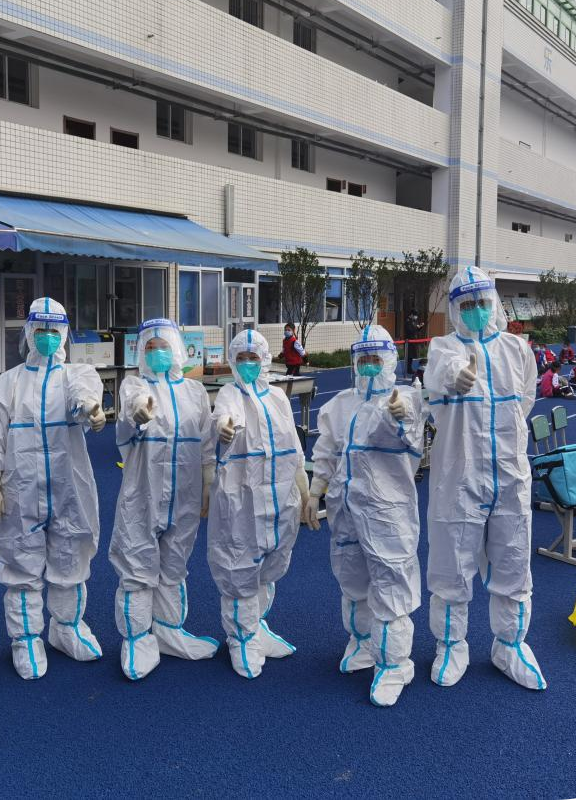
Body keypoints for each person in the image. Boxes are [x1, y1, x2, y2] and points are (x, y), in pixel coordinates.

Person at [424, 265, 546, 691]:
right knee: (452, 565)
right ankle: (451, 645)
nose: (476, 310)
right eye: (467, 304)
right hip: (459, 476)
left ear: (494, 304)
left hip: (510, 474)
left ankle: (509, 645)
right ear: (456, 309)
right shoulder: (444, 348)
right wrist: (454, 380)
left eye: (482, 302)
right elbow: (439, 379)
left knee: (513, 560)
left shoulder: (518, 349)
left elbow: (525, 400)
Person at [0, 297, 107, 679]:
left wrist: (91, 410)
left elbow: (82, 397)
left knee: (71, 557)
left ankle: (66, 628)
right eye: (42, 330)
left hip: (69, 488)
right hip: (21, 490)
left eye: (55, 330)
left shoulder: (75, 375)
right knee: (21, 563)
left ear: (64, 334)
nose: (48, 337)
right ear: (30, 332)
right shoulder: (9, 382)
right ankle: (26, 638)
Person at [307, 324, 425, 706]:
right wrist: (315, 490)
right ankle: (361, 642)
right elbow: (327, 451)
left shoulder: (405, 398)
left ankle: (394, 664)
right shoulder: (341, 404)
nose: (370, 365)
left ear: (390, 359)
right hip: (345, 510)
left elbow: (413, 441)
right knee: (352, 579)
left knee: (390, 583)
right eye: (364, 358)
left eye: (376, 358)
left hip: (387, 512)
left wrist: (401, 418)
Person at [109, 318, 219, 680]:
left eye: (163, 347)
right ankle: (137, 639)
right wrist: (137, 416)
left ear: (177, 350)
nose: (157, 353)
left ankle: (170, 631)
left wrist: (207, 482)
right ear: (141, 353)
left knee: (174, 564)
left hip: (184, 494)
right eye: (150, 348)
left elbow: (206, 441)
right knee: (137, 565)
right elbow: (127, 418)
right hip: (143, 493)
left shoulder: (194, 392)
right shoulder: (135, 385)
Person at [207, 329, 312, 679]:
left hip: (280, 498)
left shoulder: (278, 398)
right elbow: (224, 416)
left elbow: (294, 447)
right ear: (233, 361)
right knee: (239, 567)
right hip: (242, 500)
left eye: (254, 358)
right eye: (242, 358)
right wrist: (224, 426)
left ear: (265, 360)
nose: (248, 364)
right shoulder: (230, 393)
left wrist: (305, 491)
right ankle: (241, 637)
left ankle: (256, 626)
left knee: (271, 565)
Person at [405, 309, 424, 376]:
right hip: (409, 340)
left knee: (412, 356)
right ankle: (408, 369)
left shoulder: (414, 321)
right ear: (411, 314)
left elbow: (416, 330)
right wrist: (416, 327)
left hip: (414, 340)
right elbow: (409, 330)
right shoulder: (408, 321)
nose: (416, 317)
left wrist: (420, 327)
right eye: (415, 315)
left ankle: (410, 368)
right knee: (409, 356)